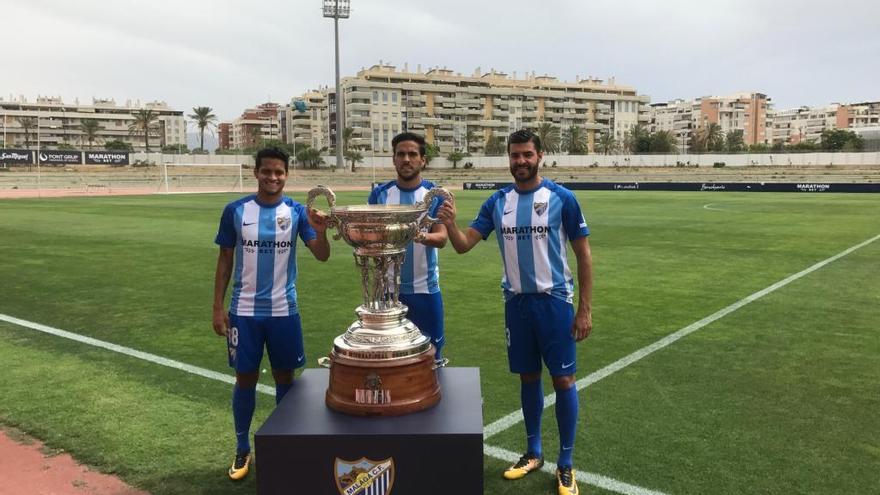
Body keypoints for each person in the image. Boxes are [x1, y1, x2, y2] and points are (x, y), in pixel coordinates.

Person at [437, 129, 593, 495]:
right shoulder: (497, 202)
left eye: (527, 155)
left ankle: (566, 464)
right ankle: (533, 451)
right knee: (527, 378)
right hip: (516, 305)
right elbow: (462, 246)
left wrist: (584, 309)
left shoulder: (561, 198)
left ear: (540, 156)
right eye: (514, 155)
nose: (520, 161)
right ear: (508, 158)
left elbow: (583, 254)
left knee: (563, 380)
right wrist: (449, 223)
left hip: (554, 302)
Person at [212, 146, 330, 481]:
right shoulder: (235, 210)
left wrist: (320, 231)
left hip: (284, 311)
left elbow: (321, 255)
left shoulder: (296, 212)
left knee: (285, 379)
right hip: (244, 312)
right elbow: (224, 260)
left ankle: (286, 447)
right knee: (245, 378)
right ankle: (241, 448)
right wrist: (218, 308)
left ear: (286, 175)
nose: (273, 177)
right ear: (256, 172)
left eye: (279, 172)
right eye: (267, 171)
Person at [368, 132, 449, 366]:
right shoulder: (380, 194)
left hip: (425, 291)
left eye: (412, 154)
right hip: (387, 293)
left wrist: (416, 235)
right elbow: (371, 236)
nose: (406, 159)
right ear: (393, 159)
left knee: (432, 357)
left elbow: (442, 237)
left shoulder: (433, 195)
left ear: (423, 160)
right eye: (401, 154)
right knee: (389, 358)